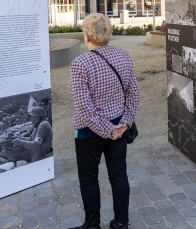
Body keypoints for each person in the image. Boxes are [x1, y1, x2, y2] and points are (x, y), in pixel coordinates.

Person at [69, 13, 141, 229]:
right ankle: (121, 222)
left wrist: (106, 129)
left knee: (89, 178)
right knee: (118, 174)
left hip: (89, 132)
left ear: (87, 36)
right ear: (108, 33)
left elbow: (84, 105)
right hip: (118, 127)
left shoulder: (80, 63)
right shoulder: (123, 56)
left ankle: (92, 225)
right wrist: (124, 124)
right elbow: (135, 93)